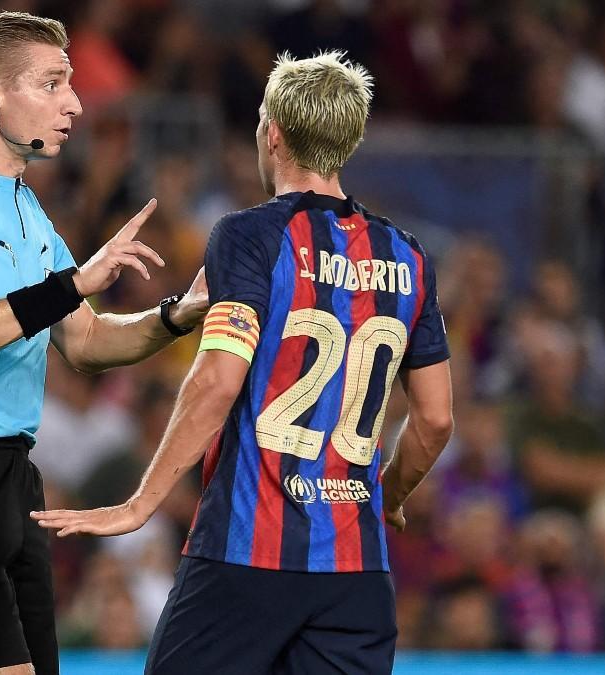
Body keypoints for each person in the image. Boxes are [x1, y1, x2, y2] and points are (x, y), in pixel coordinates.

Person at [34, 51, 455, 674]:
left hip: (246, 557)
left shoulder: (251, 235)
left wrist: (140, 504)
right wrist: (385, 494)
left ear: (274, 134)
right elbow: (436, 420)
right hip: (357, 575)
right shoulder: (408, 255)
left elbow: (218, 377)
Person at [0, 11, 208, 675]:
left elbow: (83, 340)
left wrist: (176, 315)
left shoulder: (27, 208)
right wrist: (72, 283)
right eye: (52, 83)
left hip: (12, 476)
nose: (74, 103)